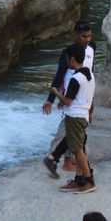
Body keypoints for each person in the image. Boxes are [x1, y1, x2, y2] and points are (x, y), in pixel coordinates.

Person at [41, 22, 95, 184]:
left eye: (89, 36)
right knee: (78, 136)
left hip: (84, 98)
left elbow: (91, 73)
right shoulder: (67, 54)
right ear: (75, 34)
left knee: (77, 134)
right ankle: (81, 174)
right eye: (83, 36)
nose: (86, 39)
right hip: (72, 99)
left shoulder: (92, 49)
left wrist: (91, 103)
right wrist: (51, 99)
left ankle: (56, 159)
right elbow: (59, 75)